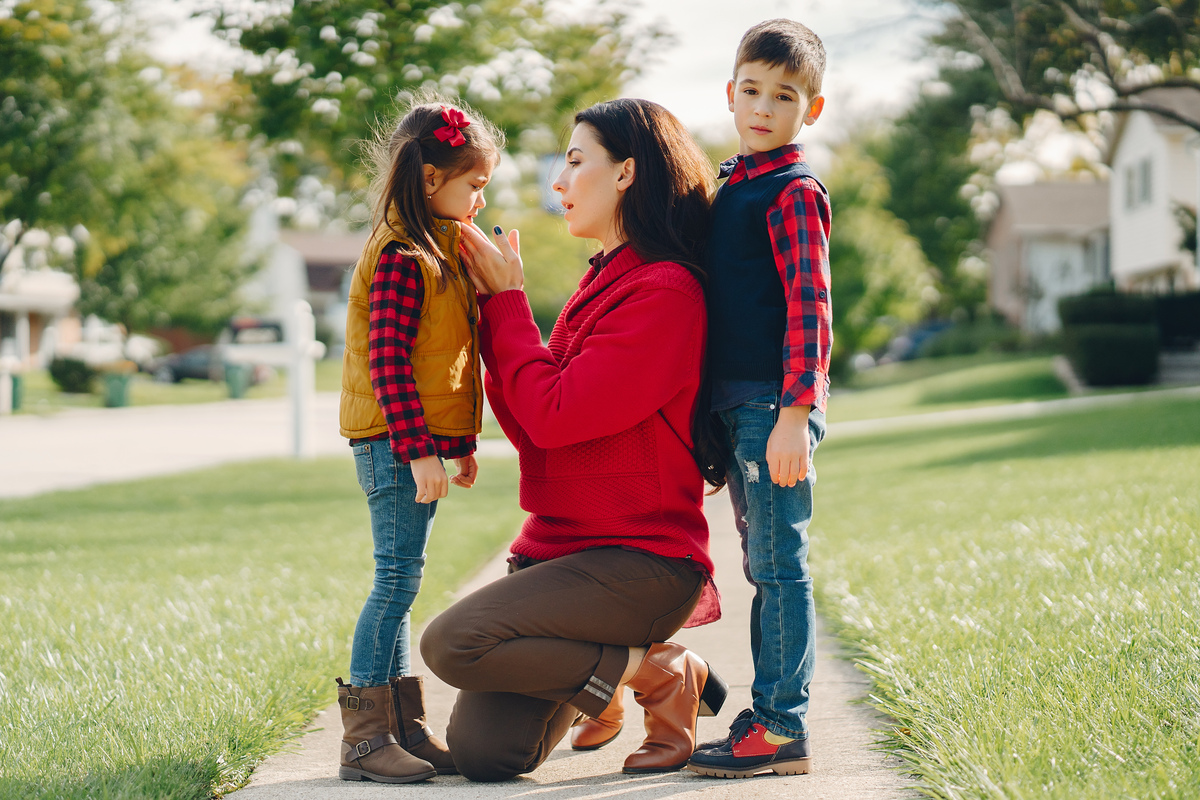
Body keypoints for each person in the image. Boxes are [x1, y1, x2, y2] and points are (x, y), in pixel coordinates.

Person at [419, 98, 728, 782]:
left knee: (452, 642)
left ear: (626, 175)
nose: (558, 181)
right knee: (487, 755)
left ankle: (659, 673)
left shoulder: (666, 293)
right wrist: (488, 309)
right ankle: (617, 678)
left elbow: (555, 414)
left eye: (576, 160)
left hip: (639, 562)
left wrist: (509, 302)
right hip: (564, 558)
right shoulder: (601, 284)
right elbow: (534, 426)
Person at [334, 97, 503, 783]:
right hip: (393, 441)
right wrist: (419, 449)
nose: (481, 195)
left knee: (404, 583)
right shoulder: (404, 254)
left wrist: (457, 441)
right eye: (475, 183)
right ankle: (365, 743)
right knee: (394, 581)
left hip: (415, 440)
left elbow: (447, 359)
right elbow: (390, 363)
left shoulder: (433, 246)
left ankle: (404, 726)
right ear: (431, 180)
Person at [685, 19, 833, 779]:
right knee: (762, 565)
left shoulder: (792, 191)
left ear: (810, 109)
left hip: (773, 410)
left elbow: (810, 308)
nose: (763, 106)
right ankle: (771, 712)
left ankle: (782, 726)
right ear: (731, 93)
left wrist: (795, 417)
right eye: (751, 90)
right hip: (736, 408)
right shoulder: (733, 184)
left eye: (784, 95)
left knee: (780, 568)